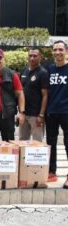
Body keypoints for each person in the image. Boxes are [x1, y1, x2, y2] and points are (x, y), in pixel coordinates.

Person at [45, 40, 68, 188]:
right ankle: (51, 172)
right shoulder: (49, 69)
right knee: (51, 143)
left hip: (66, 112)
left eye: (60, 49)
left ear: (66, 51)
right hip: (51, 112)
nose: (58, 52)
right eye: (55, 50)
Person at [19, 48, 48, 142]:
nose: (32, 58)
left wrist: (41, 115)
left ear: (40, 57)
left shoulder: (43, 73)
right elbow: (20, 92)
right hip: (24, 113)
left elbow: (45, 95)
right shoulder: (24, 70)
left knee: (37, 143)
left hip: (36, 115)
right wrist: (20, 111)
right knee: (22, 141)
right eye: (30, 56)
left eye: (35, 56)